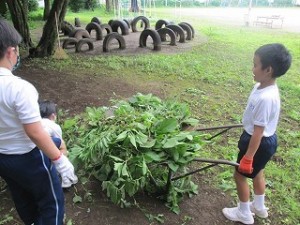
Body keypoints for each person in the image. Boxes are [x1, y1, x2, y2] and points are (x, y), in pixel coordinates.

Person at [0, 19, 78, 225]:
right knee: (51, 203)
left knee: (21, 195)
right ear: (10, 52)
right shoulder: (18, 88)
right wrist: (60, 161)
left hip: (3, 158)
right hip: (28, 157)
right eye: (17, 50)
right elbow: (34, 132)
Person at [222, 43, 292, 224]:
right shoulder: (261, 86)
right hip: (265, 140)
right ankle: (259, 208)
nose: (252, 68)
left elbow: (258, 132)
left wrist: (248, 157)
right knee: (258, 172)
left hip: (257, 142)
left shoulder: (266, 98)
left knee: (240, 176)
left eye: (255, 64)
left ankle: (244, 213)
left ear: (268, 70)